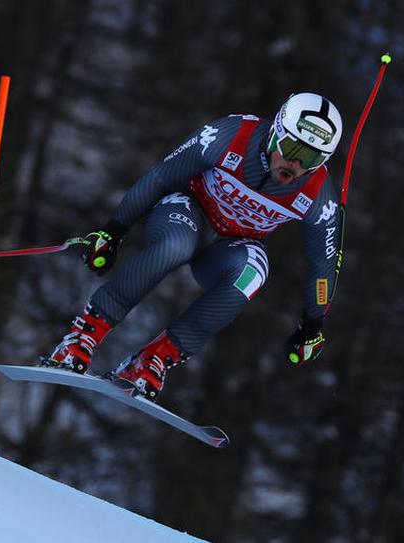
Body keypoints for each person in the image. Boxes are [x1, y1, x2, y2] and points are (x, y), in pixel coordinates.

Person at [40, 92, 344, 402]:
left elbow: (324, 265)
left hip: (231, 246)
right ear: (277, 131)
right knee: (176, 246)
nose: (295, 165)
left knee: (252, 274)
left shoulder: (319, 196)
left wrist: (313, 324)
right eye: (292, 149)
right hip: (189, 211)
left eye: (311, 159)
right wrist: (113, 231)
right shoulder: (231, 135)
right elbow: (161, 176)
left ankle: (152, 360)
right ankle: (83, 335)